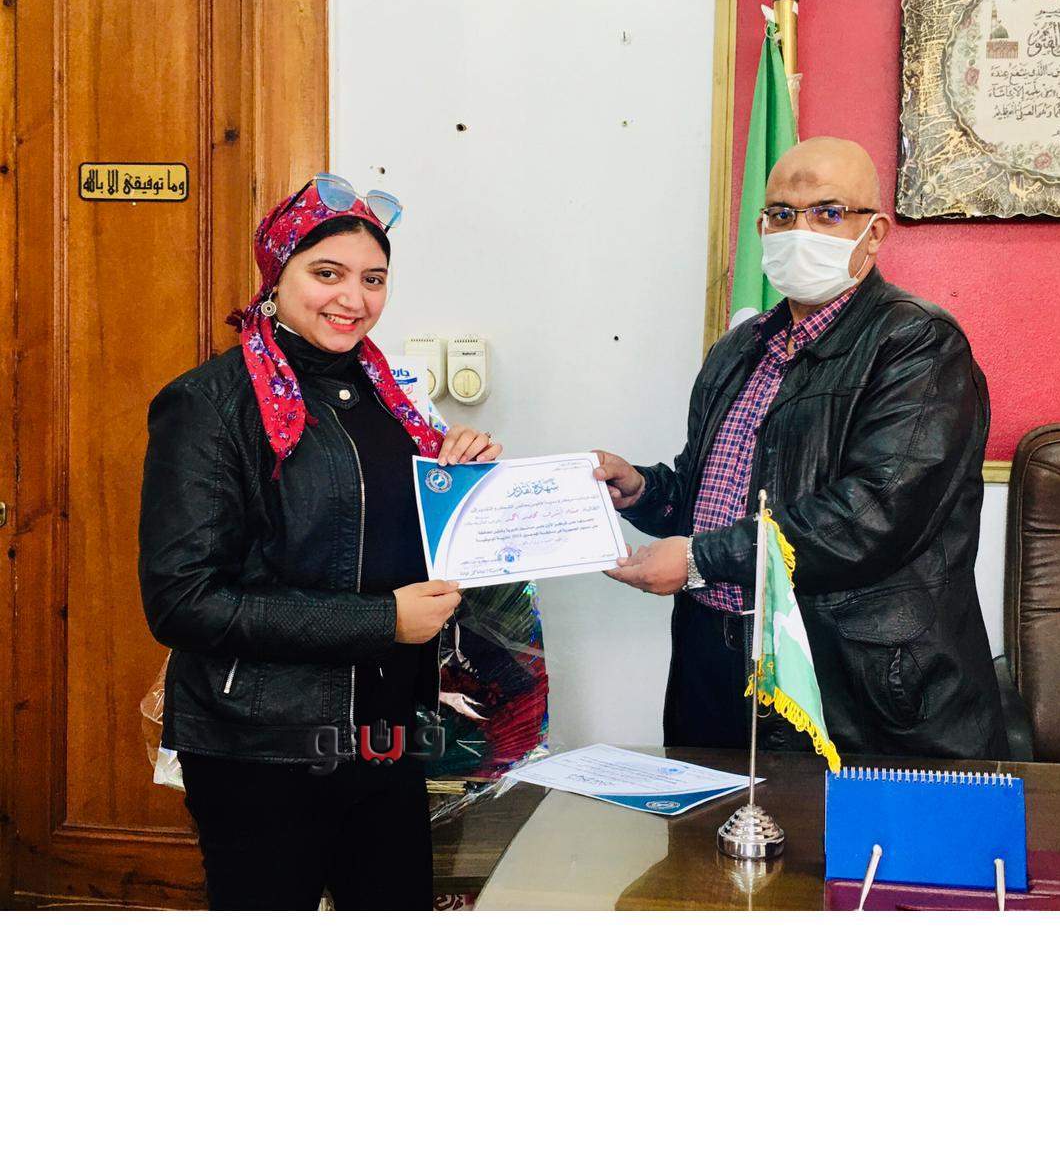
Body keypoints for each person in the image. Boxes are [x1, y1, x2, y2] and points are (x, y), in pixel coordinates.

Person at [138, 173, 501, 909]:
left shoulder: (390, 401)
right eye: (327, 273)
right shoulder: (210, 404)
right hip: (260, 749)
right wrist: (383, 621)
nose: (353, 298)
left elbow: (392, 546)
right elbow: (184, 602)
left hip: (384, 737)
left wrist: (460, 483)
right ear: (277, 275)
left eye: (373, 279)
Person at [595, 136, 1006, 760]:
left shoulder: (918, 342)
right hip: (716, 664)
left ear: (874, 233)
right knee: (712, 824)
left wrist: (701, 557)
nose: (799, 231)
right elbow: (714, 492)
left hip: (849, 679)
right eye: (782, 214)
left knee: (827, 829)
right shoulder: (738, 349)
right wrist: (644, 490)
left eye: (828, 213)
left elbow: (872, 517)